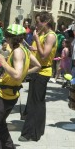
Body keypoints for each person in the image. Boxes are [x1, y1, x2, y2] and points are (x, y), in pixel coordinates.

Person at [19, 11, 57, 142]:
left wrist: (36, 40)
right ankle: (37, 131)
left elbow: (44, 55)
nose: (36, 24)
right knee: (37, 102)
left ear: (45, 22)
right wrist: (32, 47)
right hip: (36, 71)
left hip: (42, 72)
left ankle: (29, 133)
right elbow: (39, 51)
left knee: (35, 103)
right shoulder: (43, 34)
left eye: (38, 22)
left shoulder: (51, 36)